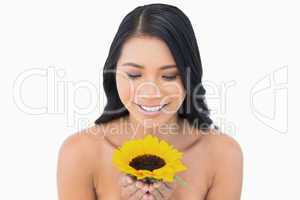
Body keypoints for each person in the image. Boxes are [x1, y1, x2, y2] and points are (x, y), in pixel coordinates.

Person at [57, 3, 243, 200]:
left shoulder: (223, 154)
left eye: (169, 76)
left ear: (190, 77)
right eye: (134, 74)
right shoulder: (79, 153)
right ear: (113, 73)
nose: (150, 92)